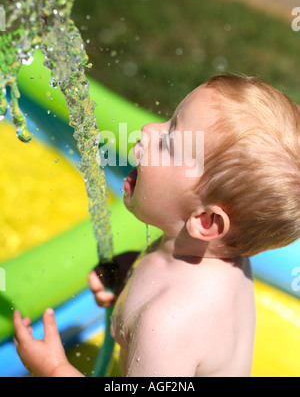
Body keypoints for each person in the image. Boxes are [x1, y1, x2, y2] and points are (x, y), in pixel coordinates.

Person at [13, 75, 300, 377]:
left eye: (167, 143)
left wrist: (55, 369)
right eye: (168, 121)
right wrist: (130, 273)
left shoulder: (167, 323)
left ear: (206, 221)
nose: (148, 130)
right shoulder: (218, 255)